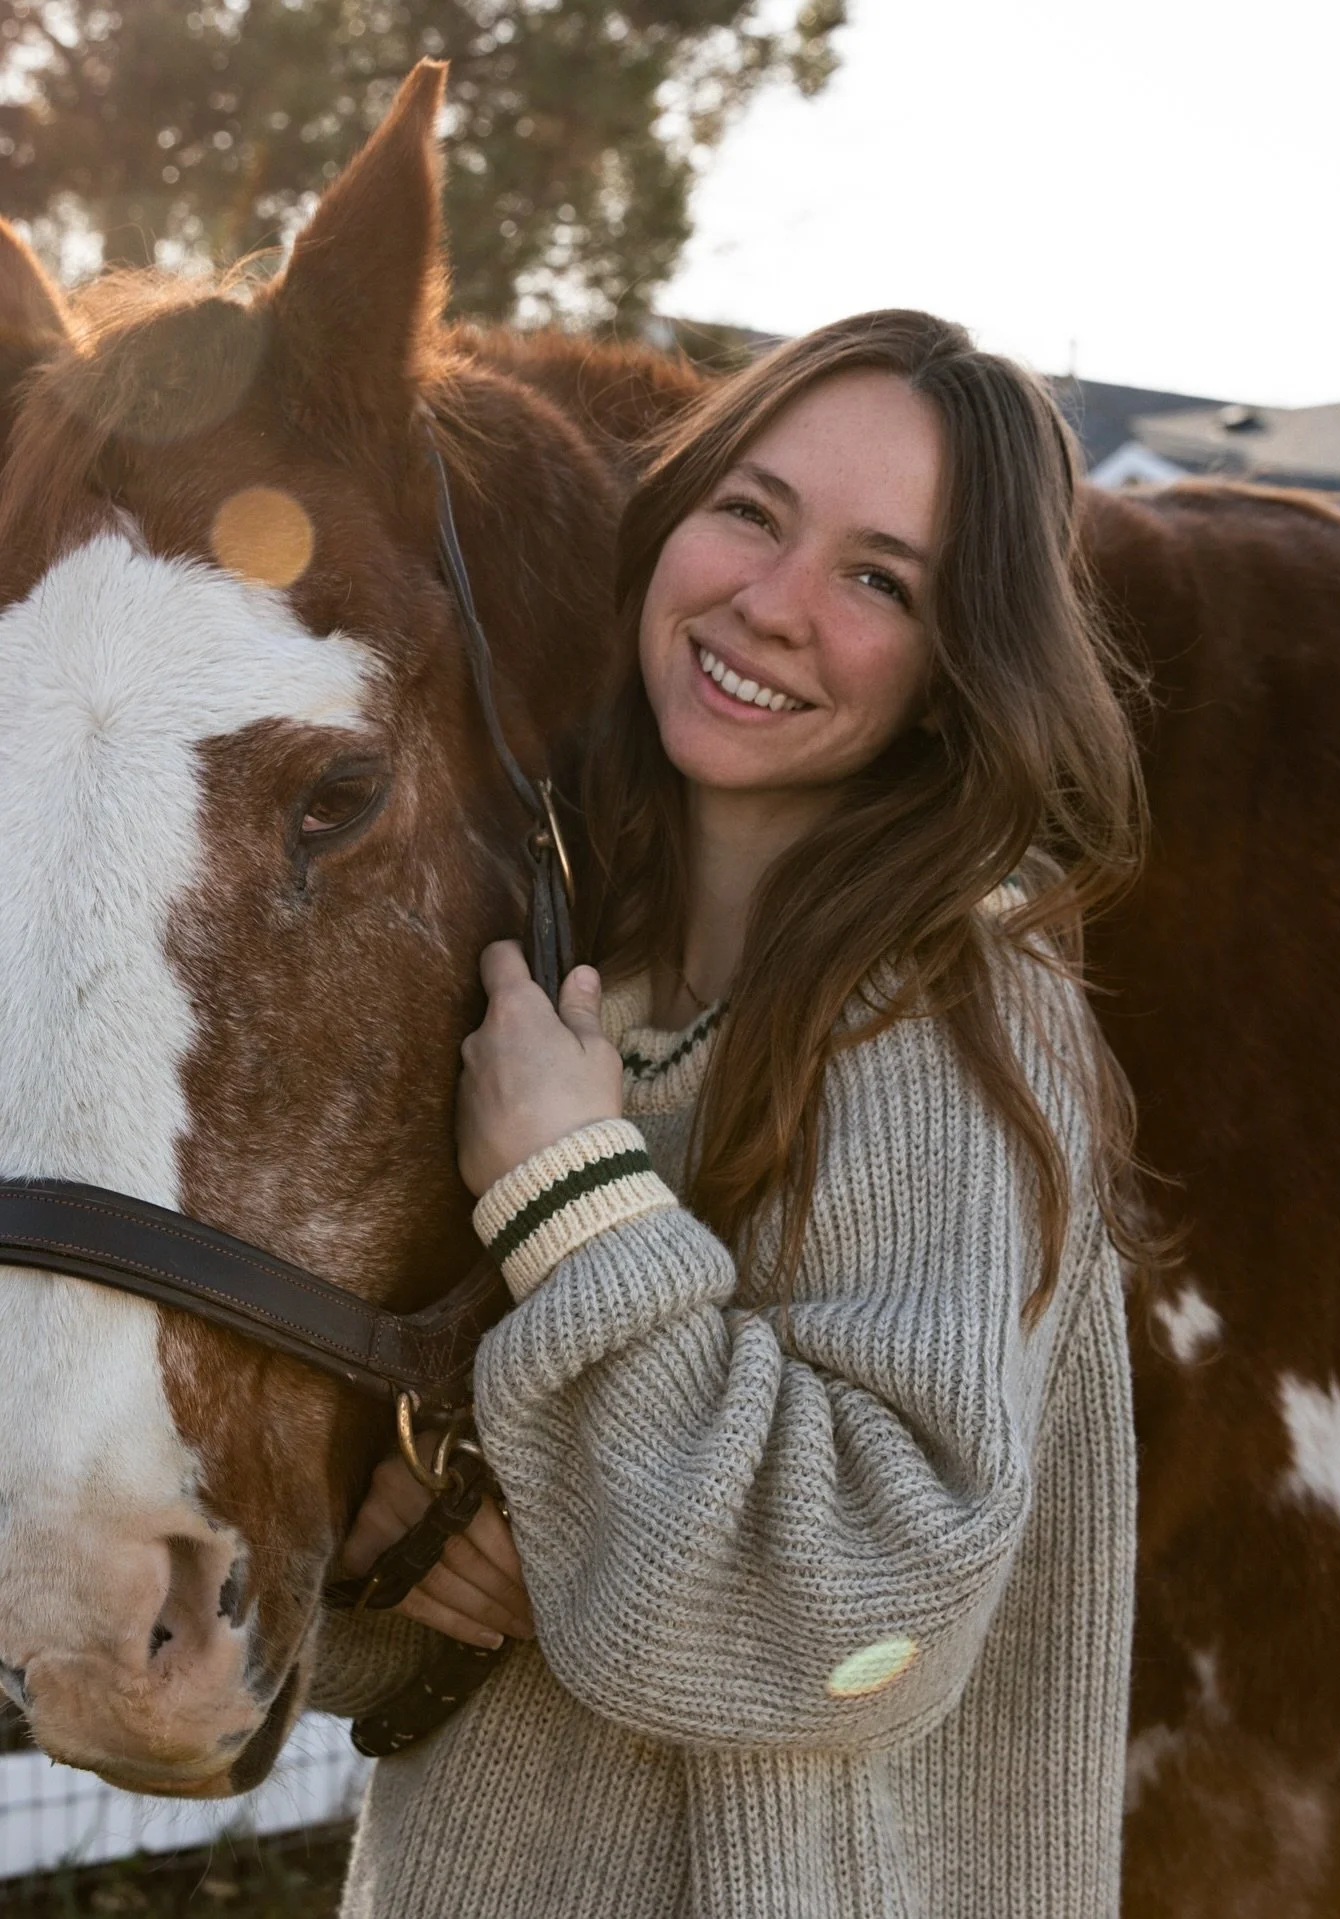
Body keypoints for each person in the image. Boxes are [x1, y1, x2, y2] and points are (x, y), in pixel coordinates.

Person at [313, 308, 1144, 1918]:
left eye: (880, 578)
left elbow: (858, 1612)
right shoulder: (554, 980)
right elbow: (389, 1560)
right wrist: (390, 1511)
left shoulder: (953, 1010)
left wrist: (568, 1189)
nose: (770, 604)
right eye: (751, 512)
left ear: (962, 660)